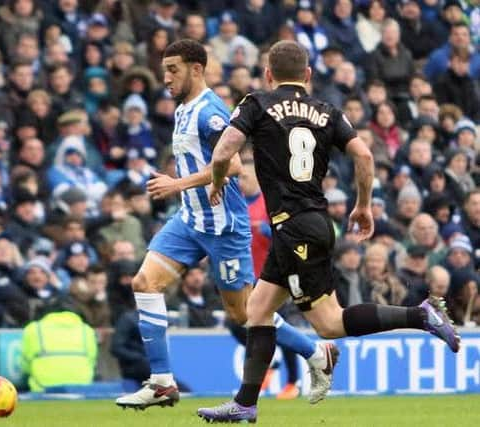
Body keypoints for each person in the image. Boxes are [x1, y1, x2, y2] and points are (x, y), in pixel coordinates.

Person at [198, 40, 460, 423]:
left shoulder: (257, 103)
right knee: (257, 308)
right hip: (315, 222)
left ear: (269, 75)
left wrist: (217, 182)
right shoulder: (327, 111)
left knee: (329, 323)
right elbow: (365, 155)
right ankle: (245, 403)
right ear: (308, 75)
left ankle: (420, 315)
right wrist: (364, 205)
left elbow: (223, 152)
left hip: (293, 229)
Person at [116, 40, 331, 410]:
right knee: (144, 282)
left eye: (173, 70)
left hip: (225, 227)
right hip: (190, 220)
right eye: (164, 69)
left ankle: (316, 352)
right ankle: (162, 382)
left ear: (196, 69)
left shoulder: (211, 112)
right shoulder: (183, 109)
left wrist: (175, 184)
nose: (165, 78)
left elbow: (232, 166)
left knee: (244, 314)